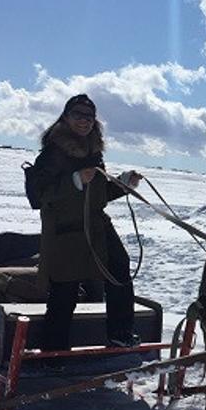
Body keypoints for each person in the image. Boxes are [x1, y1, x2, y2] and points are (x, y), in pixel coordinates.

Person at [29, 94, 141, 351]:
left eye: (89, 117)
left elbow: (98, 194)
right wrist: (75, 180)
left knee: (119, 268)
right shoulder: (51, 154)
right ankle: (53, 350)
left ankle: (120, 332)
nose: (84, 121)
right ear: (66, 117)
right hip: (65, 230)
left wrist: (123, 183)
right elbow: (39, 196)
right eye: (78, 115)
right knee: (65, 289)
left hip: (96, 226)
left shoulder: (94, 152)